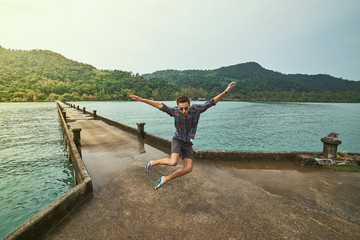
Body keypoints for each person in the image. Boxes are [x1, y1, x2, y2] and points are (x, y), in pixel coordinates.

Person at [130, 81, 236, 190]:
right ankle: (153, 162)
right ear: (178, 107)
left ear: (189, 106)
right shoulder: (175, 111)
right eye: (181, 108)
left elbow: (212, 102)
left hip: (188, 142)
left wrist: (225, 91)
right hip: (177, 140)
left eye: (186, 108)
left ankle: (165, 179)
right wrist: (142, 100)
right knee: (173, 162)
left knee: (188, 168)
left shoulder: (196, 110)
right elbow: (159, 105)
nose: (184, 111)